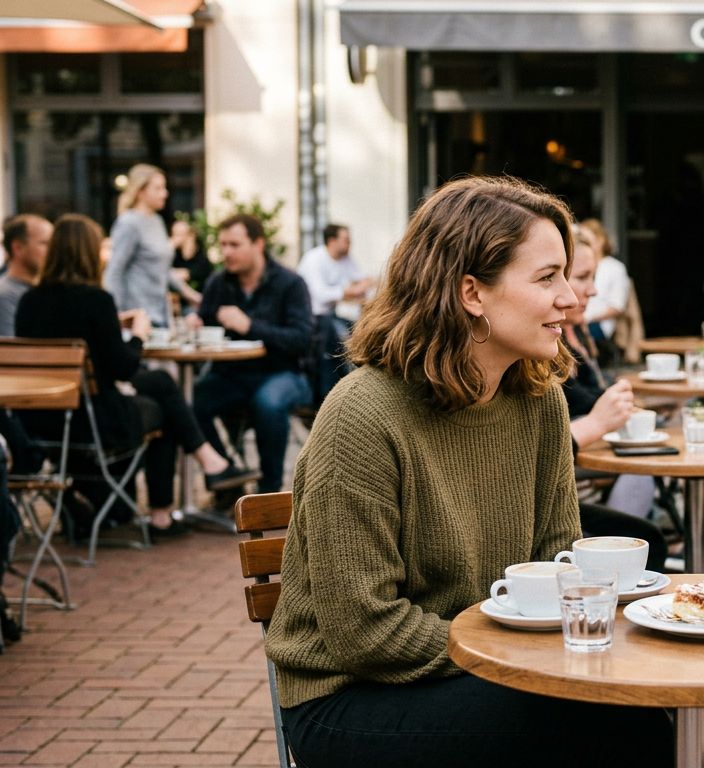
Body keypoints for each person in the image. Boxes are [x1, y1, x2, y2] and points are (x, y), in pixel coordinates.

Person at [265, 177, 672, 767]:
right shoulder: (363, 414)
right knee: (608, 730)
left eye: (567, 274)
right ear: (472, 293)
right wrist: (509, 649)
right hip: (352, 698)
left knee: (634, 710)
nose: (571, 299)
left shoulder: (538, 400)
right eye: (546, 277)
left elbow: (562, 562)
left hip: (491, 668)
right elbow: (364, 632)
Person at [14, 215, 256, 535]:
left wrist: (114, 325)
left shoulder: (29, 302)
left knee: (160, 384)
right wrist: (139, 334)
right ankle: (166, 510)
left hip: (42, 423)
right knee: (165, 409)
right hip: (95, 423)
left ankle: (210, 465)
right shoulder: (95, 300)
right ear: (88, 254)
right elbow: (124, 369)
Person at [187, 214, 312, 495]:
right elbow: (205, 320)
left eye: (234, 244)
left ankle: (269, 492)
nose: (226, 252)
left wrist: (250, 326)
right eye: (223, 245)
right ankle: (226, 474)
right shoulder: (219, 283)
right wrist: (195, 323)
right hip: (231, 374)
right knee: (192, 401)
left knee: (267, 403)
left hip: (283, 372)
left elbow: (301, 340)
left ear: (258, 244)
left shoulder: (290, 283)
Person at [562, 230, 665, 566]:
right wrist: (598, 421)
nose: (593, 289)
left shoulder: (579, 335)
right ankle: (615, 563)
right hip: (575, 485)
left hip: (585, 478)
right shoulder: (541, 352)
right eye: (582, 277)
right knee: (648, 528)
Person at [105, 164, 198, 326]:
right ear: (141, 191)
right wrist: (116, 315)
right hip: (137, 315)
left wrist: (189, 294)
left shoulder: (157, 221)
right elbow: (115, 270)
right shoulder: (129, 223)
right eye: (158, 188)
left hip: (160, 313)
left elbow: (162, 267)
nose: (165, 193)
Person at [297, 223, 374, 403]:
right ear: (332, 241)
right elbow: (319, 295)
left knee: (366, 333)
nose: (350, 244)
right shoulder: (314, 259)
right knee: (342, 340)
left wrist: (359, 288)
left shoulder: (345, 259)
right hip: (312, 317)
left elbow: (361, 280)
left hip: (329, 315)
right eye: (346, 240)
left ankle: (362, 387)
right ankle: (338, 393)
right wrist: (348, 292)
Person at [580, 218, 628, 357]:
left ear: (600, 240)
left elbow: (617, 307)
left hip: (598, 325)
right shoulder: (581, 264)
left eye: (587, 240)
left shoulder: (615, 268)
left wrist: (588, 317)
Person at [0, 214, 52, 336]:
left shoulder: (47, 291)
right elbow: (13, 350)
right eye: (45, 243)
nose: (52, 250)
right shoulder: (5, 296)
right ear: (18, 248)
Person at [169, 219, 214, 294]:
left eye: (179, 234)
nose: (174, 238)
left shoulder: (201, 258)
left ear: (191, 235)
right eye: (173, 234)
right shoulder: (174, 255)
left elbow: (182, 275)